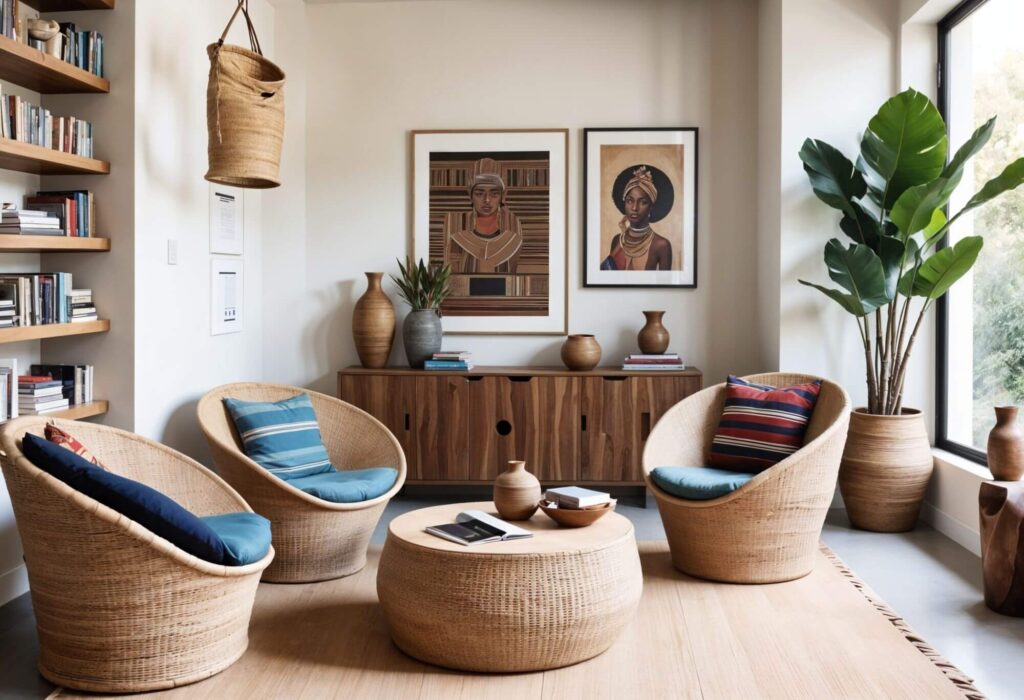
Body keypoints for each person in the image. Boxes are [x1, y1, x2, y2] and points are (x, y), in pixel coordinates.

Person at [444, 159, 523, 274]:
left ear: (502, 197)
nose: (487, 200)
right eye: (479, 193)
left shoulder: (513, 242)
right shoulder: (458, 241)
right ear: (470, 196)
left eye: (494, 193)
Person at [601, 165, 672, 271]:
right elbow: (607, 277)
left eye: (643, 202)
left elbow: (665, 285)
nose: (634, 208)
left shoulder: (661, 245)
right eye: (630, 201)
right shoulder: (617, 240)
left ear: (651, 207)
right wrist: (623, 237)